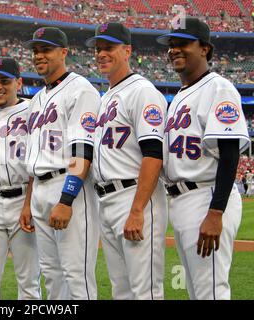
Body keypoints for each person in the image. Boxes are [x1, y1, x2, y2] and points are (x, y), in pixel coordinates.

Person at [157, 17, 250, 299]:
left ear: (205, 49)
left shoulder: (218, 88)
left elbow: (230, 153)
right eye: (171, 45)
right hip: (184, 199)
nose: (174, 50)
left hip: (206, 196)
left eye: (183, 43)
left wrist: (215, 212)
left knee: (210, 290)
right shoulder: (182, 95)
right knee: (198, 290)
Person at [85, 22, 168, 300]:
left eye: (109, 47)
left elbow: (153, 155)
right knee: (122, 290)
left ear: (127, 51)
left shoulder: (142, 91)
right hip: (107, 200)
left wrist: (136, 210)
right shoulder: (107, 96)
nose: (101, 53)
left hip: (134, 196)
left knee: (145, 291)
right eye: (98, 49)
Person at [19, 27, 101, 300]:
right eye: (36, 51)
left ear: (64, 53)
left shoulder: (80, 89)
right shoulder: (37, 99)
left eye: (46, 50)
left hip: (68, 187)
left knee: (76, 275)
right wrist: (29, 200)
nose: (39, 56)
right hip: (40, 188)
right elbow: (33, 157)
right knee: (52, 274)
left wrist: (66, 199)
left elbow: (82, 149)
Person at [0, 57, 41, 300]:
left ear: (19, 83)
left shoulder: (34, 111)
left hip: (23, 199)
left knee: (29, 283)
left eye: (5, 81)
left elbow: (38, 163)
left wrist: (29, 204)